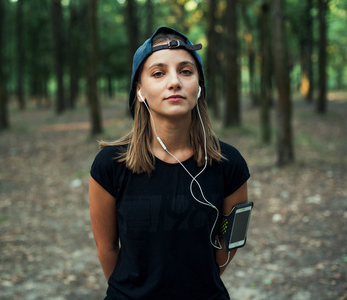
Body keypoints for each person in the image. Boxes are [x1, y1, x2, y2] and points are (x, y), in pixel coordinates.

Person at [89, 26, 250, 300]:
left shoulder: (229, 163)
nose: (174, 82)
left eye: (186, 71)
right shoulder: (110, 165)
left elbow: (231, 238)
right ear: (139, 91)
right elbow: (107, 249)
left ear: (198, 87)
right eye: (158, 73)